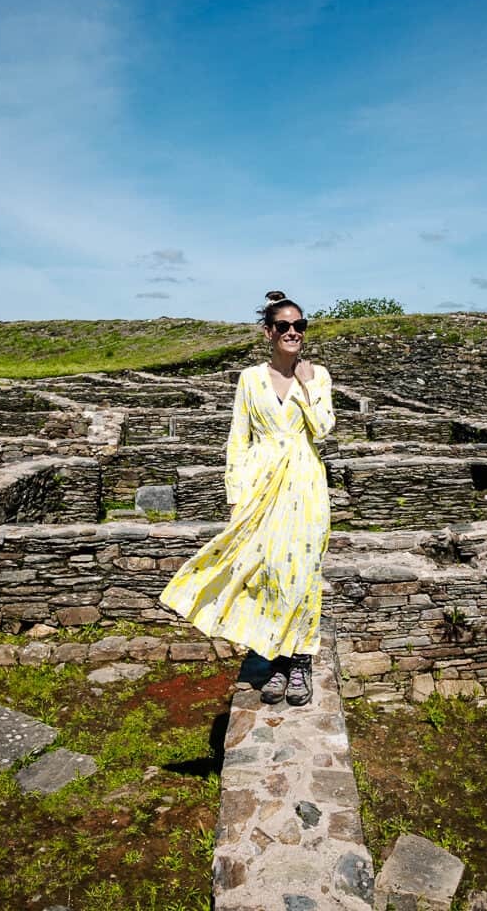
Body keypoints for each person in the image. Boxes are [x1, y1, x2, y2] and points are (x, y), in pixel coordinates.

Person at [159, 290, 335, 706]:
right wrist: (235, 495)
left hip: (304, 483)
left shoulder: (318, 375)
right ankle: (275, 658)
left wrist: (307, 387)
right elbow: (238, 439)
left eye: (300, 326)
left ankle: (301, 662)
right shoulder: (250, 379)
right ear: (268, 332)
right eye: (284, 326)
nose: (293, 333)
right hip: (260, 484)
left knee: (303, 572)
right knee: (267, 571)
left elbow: (323, 428)